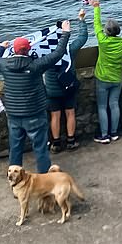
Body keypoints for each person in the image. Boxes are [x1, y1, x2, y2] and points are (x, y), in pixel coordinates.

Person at [0, 25, 69, 175]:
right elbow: (57, 53)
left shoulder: (4, 65)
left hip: (13, 115)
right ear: (28, 50)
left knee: (15, 148)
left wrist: (1, 47)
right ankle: (45, 180)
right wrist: (65, 33)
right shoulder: (36, 66)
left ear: (13, 51)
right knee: (40, 148)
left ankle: (14, 181)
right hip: (35, 113)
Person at [44, 8, 89, 153]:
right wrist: (81, 20)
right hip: (68, 86)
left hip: (52, 90)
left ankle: (56, 143)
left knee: (54, 115)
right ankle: (71, 140)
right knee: (70, 113)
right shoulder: (70, 49)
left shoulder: (46, 53)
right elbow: (83, 37)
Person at [90, 0, 122, 143]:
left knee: (102, 106)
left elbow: (96, 25)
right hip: (117, 78)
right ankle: (114, 133)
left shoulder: (103, 41)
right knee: (114, 105)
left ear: (106, 31)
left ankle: (104, 134)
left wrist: (96, 8)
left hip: (103, 78)